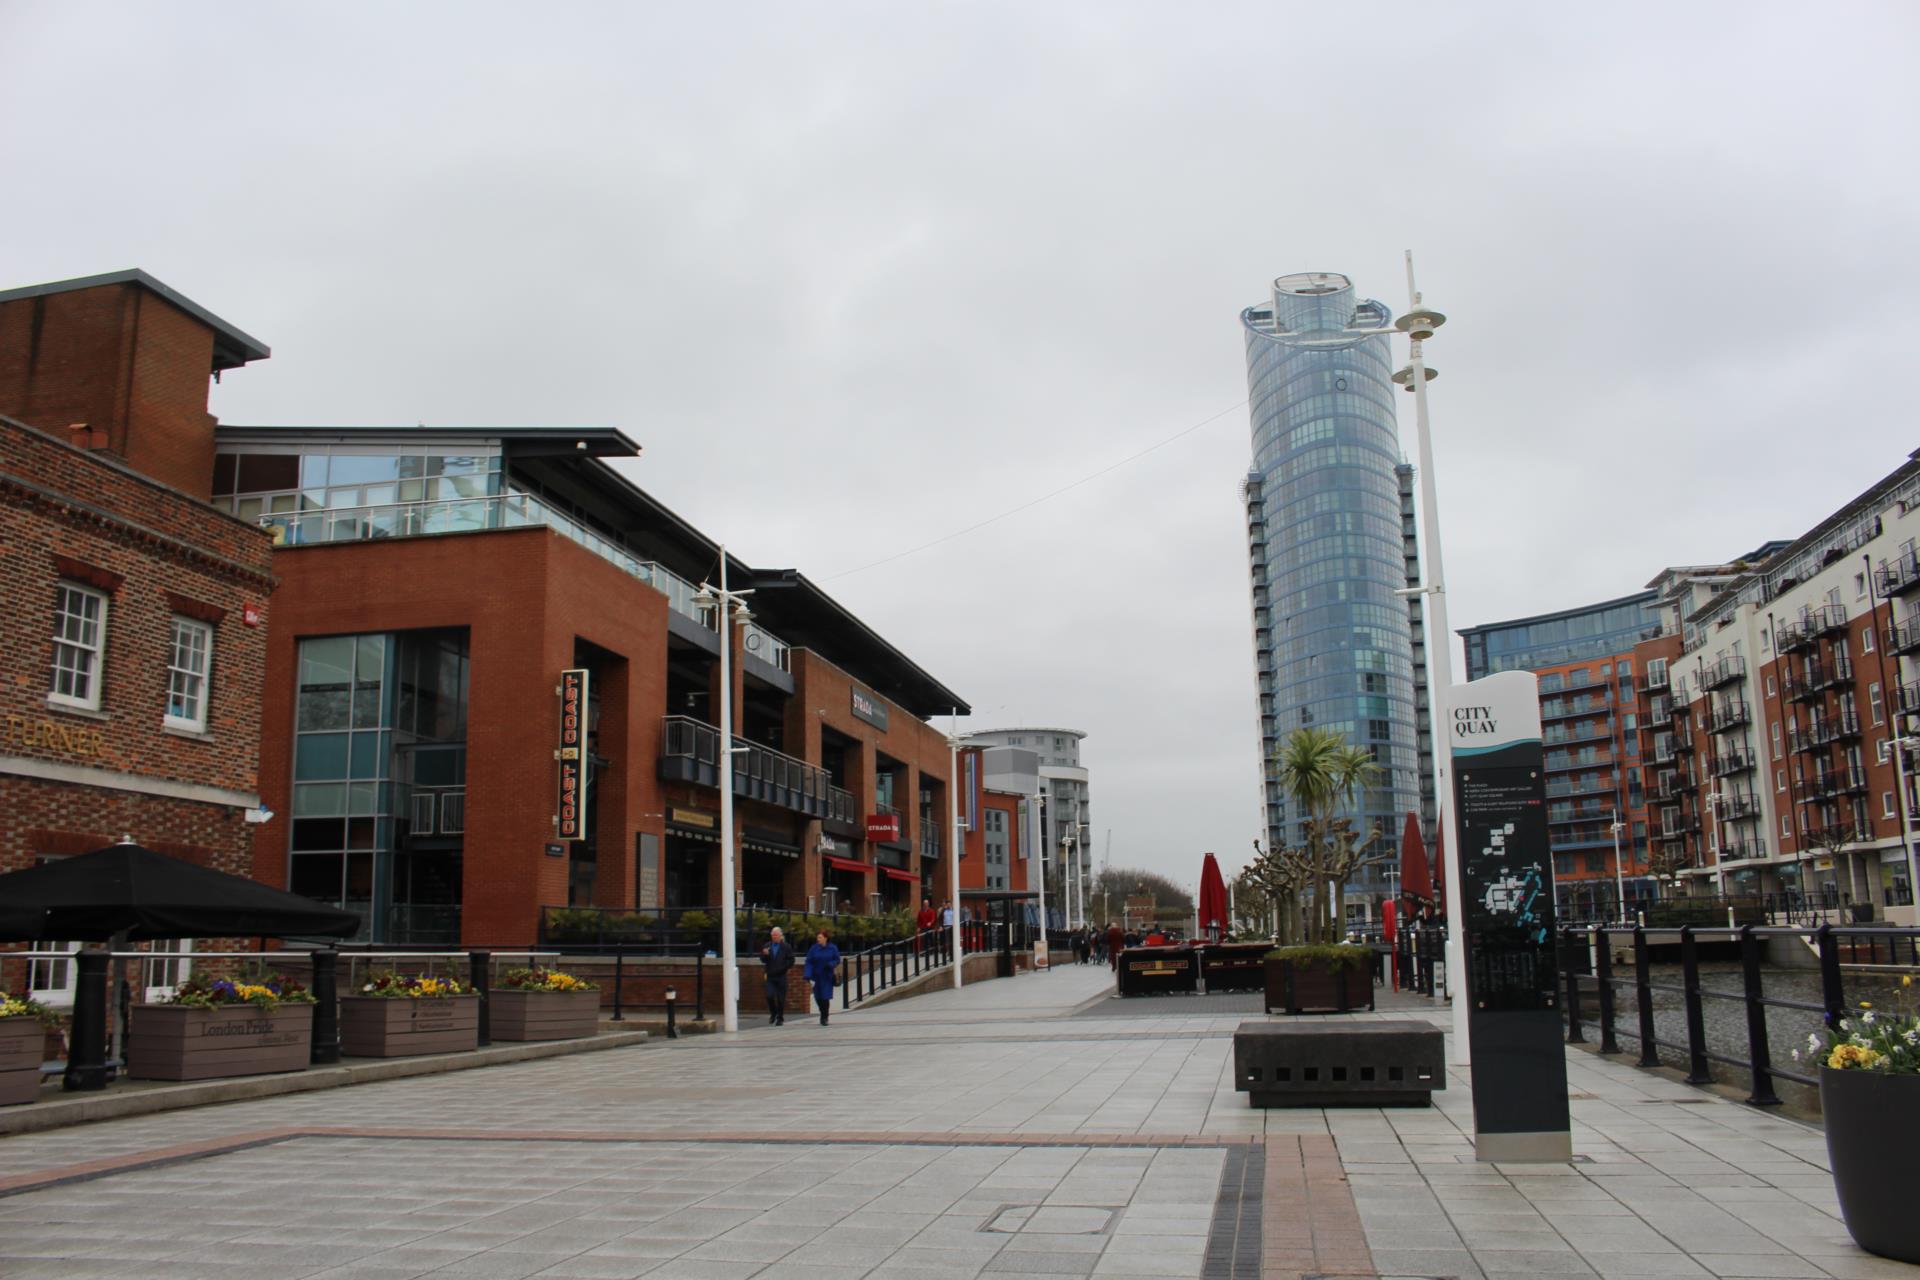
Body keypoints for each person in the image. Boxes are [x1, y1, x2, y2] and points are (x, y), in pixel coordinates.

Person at [803, 929, 842, 1026]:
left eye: (820, 937)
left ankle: (825, 1017)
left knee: (825, 997)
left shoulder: (833, 948)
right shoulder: (814, 948)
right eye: (817, 937)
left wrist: (831, 964)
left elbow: (837, 959)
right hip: (816, 976)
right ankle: (822, 1012)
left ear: (825, 938)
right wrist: (807, 974)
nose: (818, 939)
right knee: (817, 997)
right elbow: (809, 962)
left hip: (827, 976)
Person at [759, 926, 794, 1025]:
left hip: (781, 975)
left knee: (781, 998)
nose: (774, 937)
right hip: (770, 975)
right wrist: (765, 955)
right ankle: (773, 1013)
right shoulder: (767, 945)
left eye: (776, 935)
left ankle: (780, 1017)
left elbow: (791, 960)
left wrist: (784, 967)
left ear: (780, 936)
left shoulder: (786, 947)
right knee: (769, 995)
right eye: (773, 935)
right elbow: (762, 959)